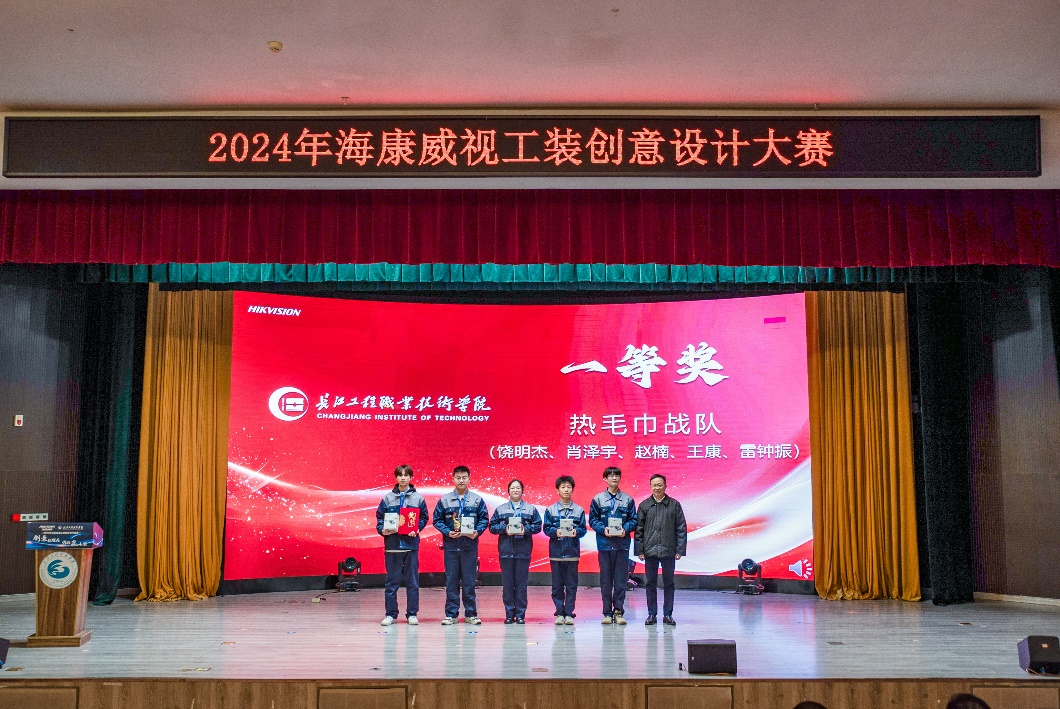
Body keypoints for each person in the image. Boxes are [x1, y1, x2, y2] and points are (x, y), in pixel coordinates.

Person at [432, 465, 490, 625]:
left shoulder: (477, 500)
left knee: (469, 582)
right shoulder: (445, 500)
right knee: (451, 581)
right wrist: (447, 532)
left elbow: (484, 519)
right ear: (453, 479)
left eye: (464, 477)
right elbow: (437, 520)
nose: (461, 480)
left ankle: (471, 614)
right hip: (451, 546)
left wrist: (477, 532)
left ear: (469, 479)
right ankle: (451, 614)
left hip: (469, 546)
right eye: (458, 477)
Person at [375, 463, 429, 626]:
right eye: (400, 475)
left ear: (411, 477)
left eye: (406, 475)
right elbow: (380, 518)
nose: (403, 478)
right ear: (396, 477)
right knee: (391, 583)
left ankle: (412, 613)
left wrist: (417, 529)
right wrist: (382, 530)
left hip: (410, 545)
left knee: (412, 582)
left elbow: (424, 518)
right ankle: (390, 614)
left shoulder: (418, 498)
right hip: (392, 546)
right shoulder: (387, 498)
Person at [635, 473, 687, 627]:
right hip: (650, 551)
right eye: (654, 485)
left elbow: (681, 528)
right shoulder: (644, 505)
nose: (657, 488)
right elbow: (639, 530)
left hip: (668, 550)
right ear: (650, 487)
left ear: (665, 486)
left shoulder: (674, 505)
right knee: (650, 583)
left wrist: (679, 550)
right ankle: (651, 614)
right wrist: (640, 550)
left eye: (660, 485)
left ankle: (668, 614)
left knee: (669, 583)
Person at [488, 479, 543, 624]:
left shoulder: (530, 509)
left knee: (521, 585)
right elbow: (492, 527)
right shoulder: (500, 509)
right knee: (507, 585)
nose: (515, 490)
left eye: (518, 488)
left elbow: (538, 526)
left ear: (522, 490)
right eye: (512, 488)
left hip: (523, 552)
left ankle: (520, 615)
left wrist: (526, 529)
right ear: (508, 491)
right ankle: (509, 614)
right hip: (506, 551)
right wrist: (504, 529)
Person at [588, 465, 638, 625]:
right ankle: (607, 613)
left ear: (620, 478)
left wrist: (626, 529)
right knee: (606, 581)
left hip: (622, 546)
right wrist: (603, 530)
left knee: (621, 580)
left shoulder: (628, 500)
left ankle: (619, 612)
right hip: (605, 545)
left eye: (617, 475)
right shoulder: (598, 499)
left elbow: (634, 520)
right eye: (610, 475)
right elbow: (593, 520)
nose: (614, 478)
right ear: (605, 479)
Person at [542, 475, 587, 625]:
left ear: (572, 489)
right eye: (563, 487)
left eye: (568, 487)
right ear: (557, 490)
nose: (566, 490)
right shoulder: (550, 510)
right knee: (557, 586)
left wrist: (576, 532)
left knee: (572, 586)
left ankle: (569, 613)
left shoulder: (579, 510)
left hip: (572, 553)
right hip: (556, 553)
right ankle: (559, 613)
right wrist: (556, 532)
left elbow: (583, 529)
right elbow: (546, 529)